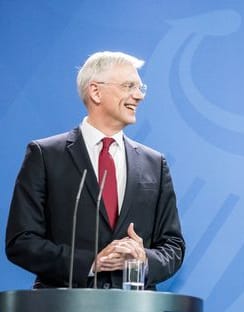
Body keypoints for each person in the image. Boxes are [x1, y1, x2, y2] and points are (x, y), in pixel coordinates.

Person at [5, 51, 185, 289]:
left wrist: (144, 259)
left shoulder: (155, 163)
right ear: (96, 91)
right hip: (64, 311)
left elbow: (173, 246)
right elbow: (21, 241)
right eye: (129, 86)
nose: (139, 96)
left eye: (141, 87)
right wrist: (91, 263)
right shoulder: (45, 155)